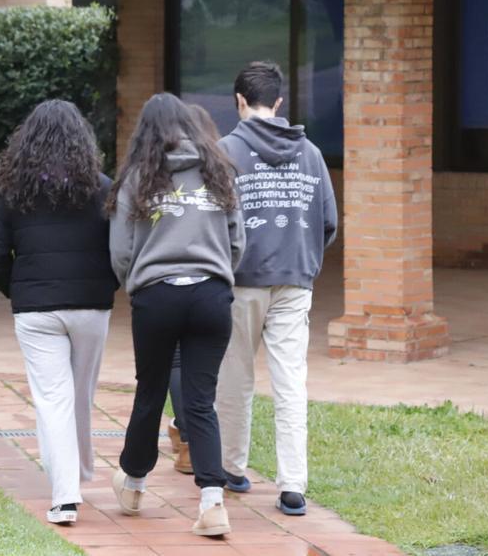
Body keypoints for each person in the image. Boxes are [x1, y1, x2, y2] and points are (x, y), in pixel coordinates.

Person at [107, 92, 244, 538]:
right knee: (201, 402)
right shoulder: (219, 171)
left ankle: (133, 485)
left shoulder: (136, 178)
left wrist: (140, 283)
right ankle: (212, 505)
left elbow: (122, 251)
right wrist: (218, 275)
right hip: (211, 297)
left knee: (149, 394)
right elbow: (237, 241)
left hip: (157, 298)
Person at [0, 99, 120, 526]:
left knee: (52, 400)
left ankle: (65, 495)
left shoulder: (13, 191)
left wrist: (18, 291)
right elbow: (122, 249)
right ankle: (74, 474)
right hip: (92, 309)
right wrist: (107, 285)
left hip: (36, 311)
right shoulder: (102, 187)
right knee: (79, 396)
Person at [215, 61, 338, 517]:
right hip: (295, 281)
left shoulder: (225, 152)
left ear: (240, 101)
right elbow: (328, 222)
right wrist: (302, 258)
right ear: (279, 103)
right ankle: (292, 486)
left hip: (242, 283)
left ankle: (232, 467)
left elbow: (217, 223)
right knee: (291, 383)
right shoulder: (311, 153)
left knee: (236, 376)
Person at [165, 104, 225, 477]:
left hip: (165, 284)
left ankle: (184, 439)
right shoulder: (220, 174)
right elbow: (236, 235)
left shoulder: (154, 173)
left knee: (173, 362)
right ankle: (205, 467)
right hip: (211, 286)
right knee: (204, 377)